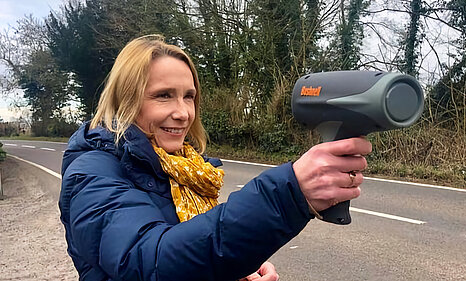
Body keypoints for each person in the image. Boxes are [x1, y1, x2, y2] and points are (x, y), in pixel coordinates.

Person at [59, 34, 372, 281]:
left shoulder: (184, 167)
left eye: (189, 96)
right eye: (163, 95)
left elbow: (196, 248)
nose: (182, 113)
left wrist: (238, 265)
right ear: (125, 100)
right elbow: (151, 262)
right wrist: (287, 194)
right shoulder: (92, 173)